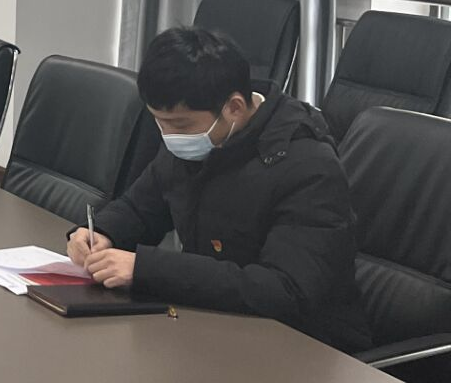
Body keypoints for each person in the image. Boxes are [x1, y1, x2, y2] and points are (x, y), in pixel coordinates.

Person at [68, 26, 371, 351]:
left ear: (234, 108)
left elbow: (285, 290)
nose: (168, 135)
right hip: (212, 324)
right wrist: (103, 232)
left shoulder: (308, 167)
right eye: (159, 121)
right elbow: (141, 207)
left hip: (302, 348)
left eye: (179, 125)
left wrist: (146, 269)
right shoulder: (197, 141)